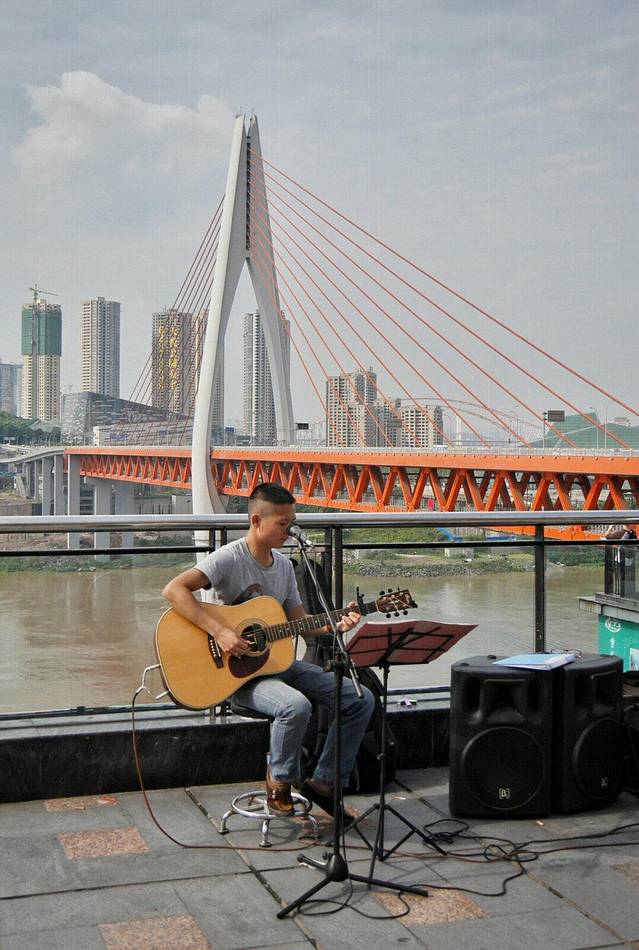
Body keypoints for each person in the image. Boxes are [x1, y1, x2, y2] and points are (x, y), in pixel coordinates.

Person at [162, 482, 375, 818]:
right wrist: (220, 631)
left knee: (360, 699)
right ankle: (279, 779)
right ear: (257, 521)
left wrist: (335, 624)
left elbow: (299, 623)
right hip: (235, 676)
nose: (290, 531)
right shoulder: (230, 557)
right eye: (283, 524)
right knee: (295, 705)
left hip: (277, 664)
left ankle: (324, 783)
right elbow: (174, 590)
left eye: (292, 523)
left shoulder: (285, 567)